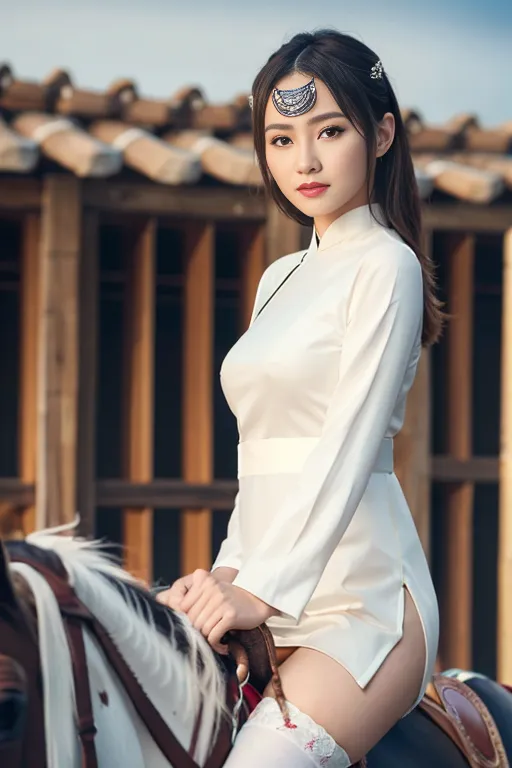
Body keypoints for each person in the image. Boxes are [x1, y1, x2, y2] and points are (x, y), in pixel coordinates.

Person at [158, 29, 442, 767]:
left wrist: (263, 592)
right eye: (280, 139)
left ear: (381, 134)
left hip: (363, 602)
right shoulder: (276, 279)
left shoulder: (388, 266)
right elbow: (262, 464)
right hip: (266, 581)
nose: (304, 161)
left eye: (330, 131)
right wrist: (226, 575)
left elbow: (345, 449)